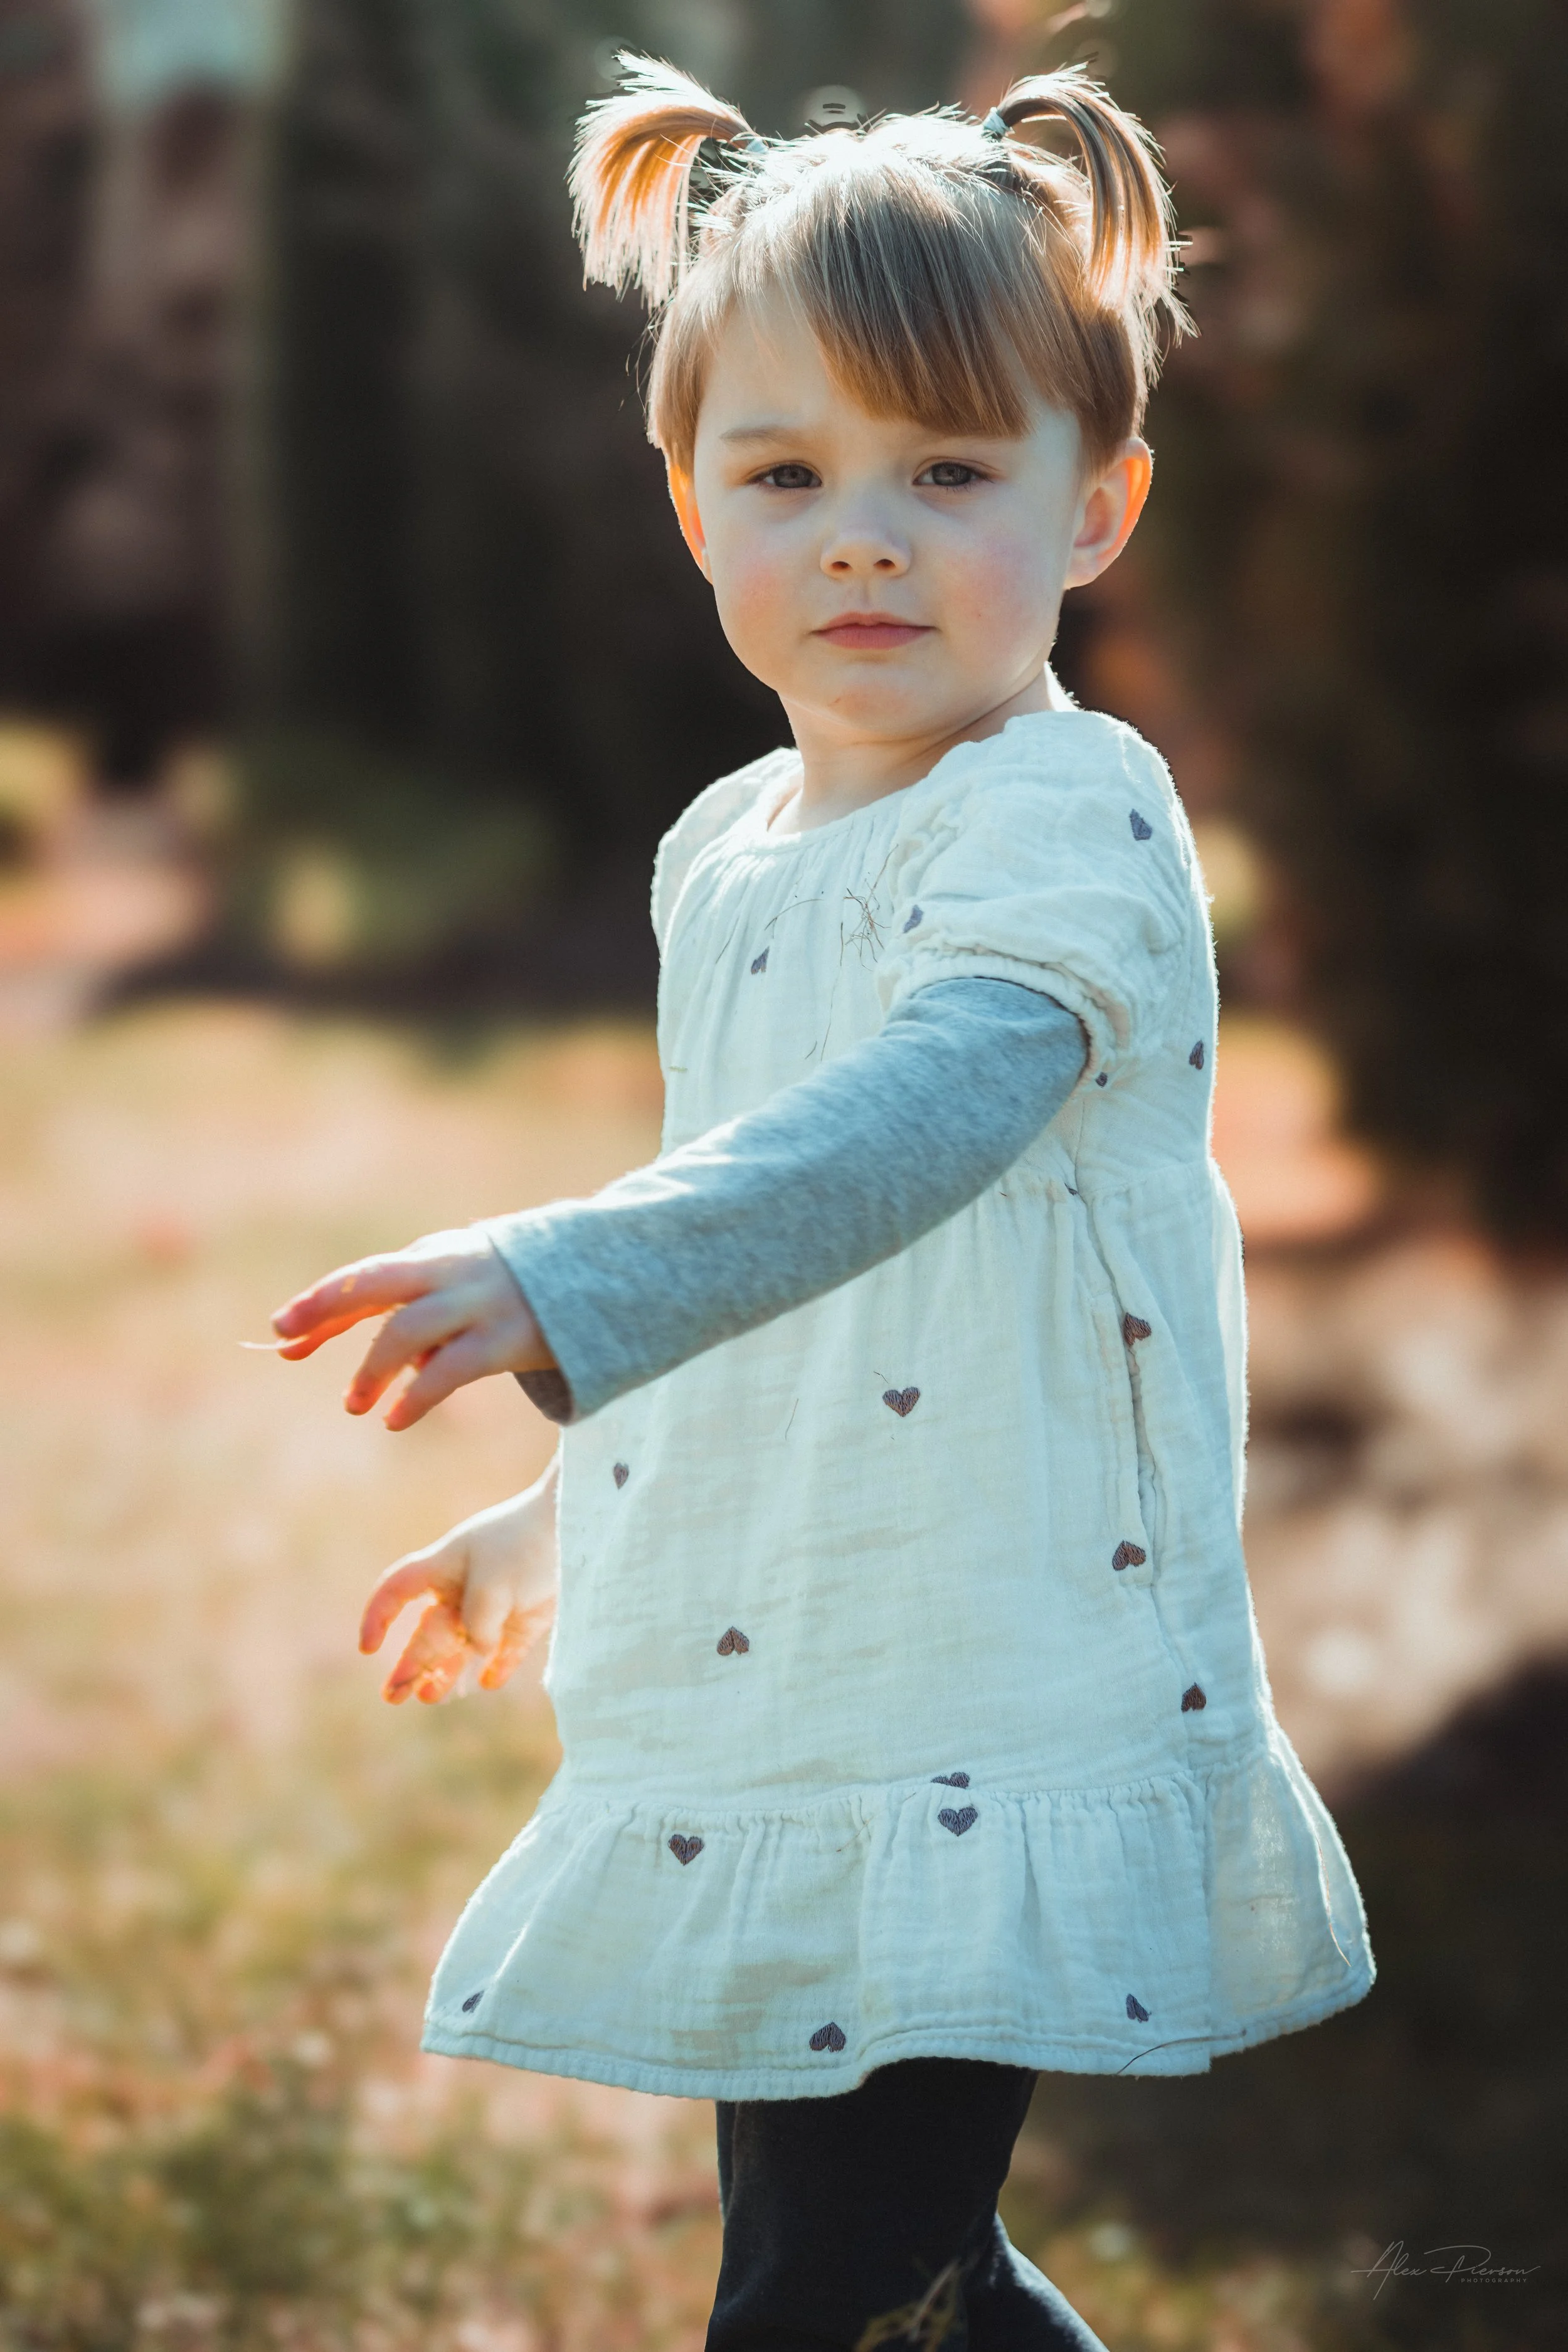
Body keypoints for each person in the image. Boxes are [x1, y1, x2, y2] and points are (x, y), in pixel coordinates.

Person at [271, 53, 1375, 2351]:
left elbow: (912, 1123)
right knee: (901, 2274)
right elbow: (767, 1240)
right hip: (795, 1667)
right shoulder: (725, 852)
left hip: (974, 1671)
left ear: (1095, 508)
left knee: (821, 2287)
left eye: (948, 471)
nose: (860, 533)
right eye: (787, 473)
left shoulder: (1064, 815)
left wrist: (562, 1271)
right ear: (690, 508)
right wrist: (566, 1515)